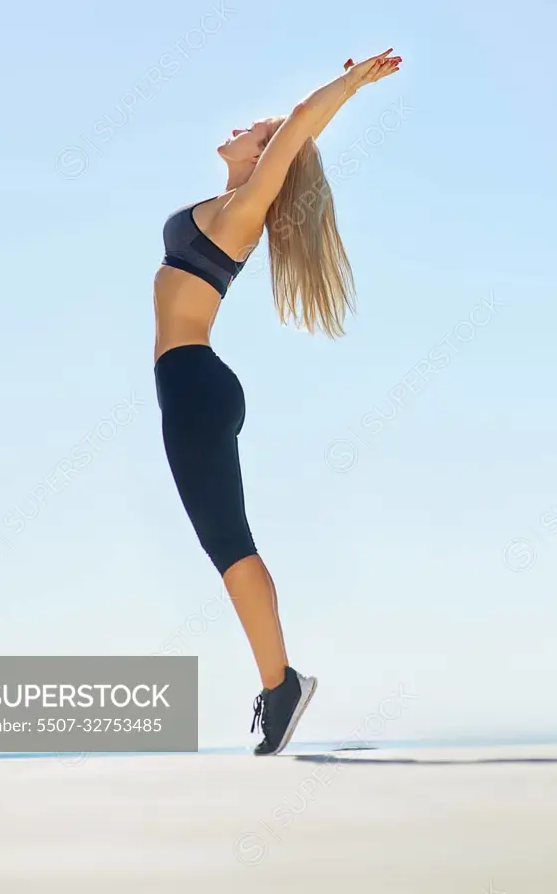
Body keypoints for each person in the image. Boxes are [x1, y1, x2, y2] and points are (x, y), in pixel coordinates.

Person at [153, 49, 402, 754]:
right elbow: (284, 133)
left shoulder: (244, 212)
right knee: (224, 541)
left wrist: (348, 85)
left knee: (227, 543)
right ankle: (279, 684)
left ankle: (281, 686)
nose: (246, 125)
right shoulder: (226, 205)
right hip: (192, 384)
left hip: (194, 383)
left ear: (269, 160)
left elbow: (298, 124)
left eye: (257, 131)